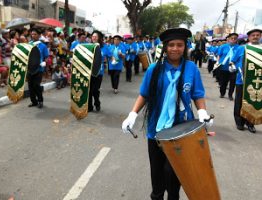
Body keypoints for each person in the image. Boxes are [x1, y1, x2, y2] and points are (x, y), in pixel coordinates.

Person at [121, 28, 213, 200]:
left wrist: (202, 112)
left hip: (181, 131)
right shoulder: (154, 69)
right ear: (164, 47)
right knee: (157, 175)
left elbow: (197, 94)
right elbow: (144, 94)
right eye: (171, 45)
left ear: (185, 47)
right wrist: (132, 114)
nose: (175, 49)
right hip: (156, 129)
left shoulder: (192, 69)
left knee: (173, 175)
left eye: (179, 45)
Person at [232, 28, 261, 133]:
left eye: (258, 35)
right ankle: (239, 122)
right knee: (239, 102)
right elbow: (233, 61)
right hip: (242, 80)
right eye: (253, 35)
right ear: (249, 37)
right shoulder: (242, 48)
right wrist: (234, 67)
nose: (255, 37)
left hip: (256, 81)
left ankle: (250, 123)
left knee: (253, 101)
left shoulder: (261, 49)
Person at [88, 30, 110, 112]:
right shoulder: (89, 46)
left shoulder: (104, 47)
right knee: (89, 90)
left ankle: (97, 103)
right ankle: (89, 107)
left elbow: (110, 56)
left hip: (99, 72)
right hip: (89, 71)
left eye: (96, 36)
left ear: (99, 38)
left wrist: (110, 60)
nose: (94, 38)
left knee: (95, 90)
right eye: (93, 36)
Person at [27, 28, 49, 108]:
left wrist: (45, 62)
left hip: (39, 68)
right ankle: (34, 102)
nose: (33, 36)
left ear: (39, 35)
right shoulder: (29, 44)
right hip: (30, 68)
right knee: (30, 86)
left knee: (36, 85)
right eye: (32, 34)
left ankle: (40, 101)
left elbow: (46, 56)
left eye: (35, 34)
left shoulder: (43, 45)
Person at [216, 33, 240, 100]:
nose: (233, 40)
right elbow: (219, 55)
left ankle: (230, 95)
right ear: (228, 39)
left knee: (232, 83)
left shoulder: (239, 48)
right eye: (231, 38)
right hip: (224, 67)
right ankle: (222, 93)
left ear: (236, 39)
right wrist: (218, 62)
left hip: (234, 68)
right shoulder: (223, 46)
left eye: (235, 38)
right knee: (223, 82)